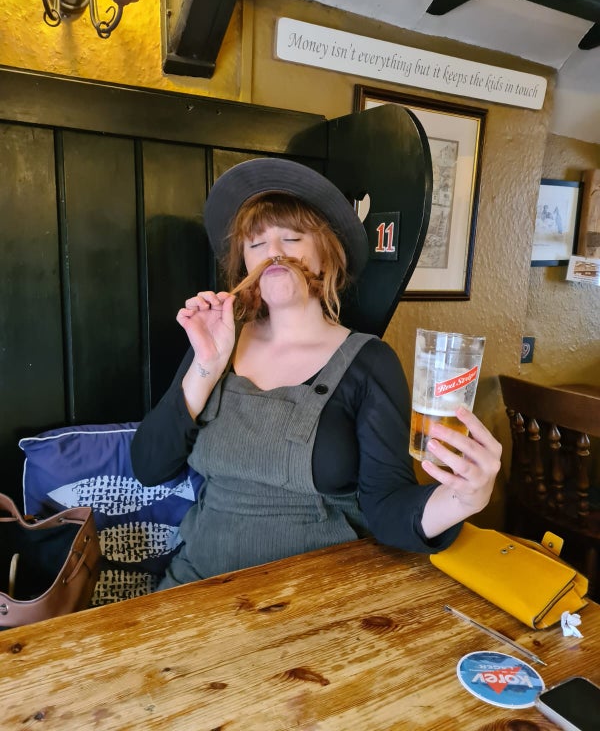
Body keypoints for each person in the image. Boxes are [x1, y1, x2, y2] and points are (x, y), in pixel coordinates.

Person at [131, 158, 501, 589]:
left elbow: (387, 508)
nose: (274, 252)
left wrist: (463, 497)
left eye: (291, 237)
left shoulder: (369, 363)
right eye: (256, 243)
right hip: (198, 585)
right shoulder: (216, 343)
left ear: (326, 257)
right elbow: (149, 466)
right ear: (244, 266)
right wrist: (206, 367)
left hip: (318, 594)